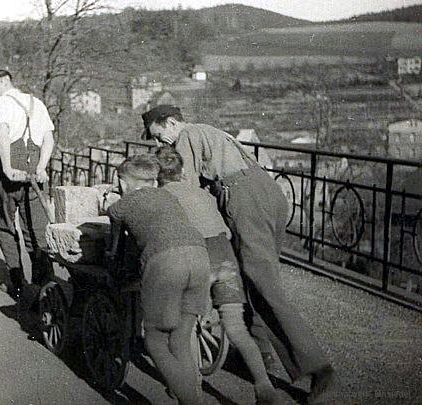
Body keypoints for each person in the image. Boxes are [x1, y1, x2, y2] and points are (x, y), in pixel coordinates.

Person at [142, 105, 334, 404]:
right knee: (254, 284)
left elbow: (185, 186)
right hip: (267, 194)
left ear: (170, 123)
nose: (160, 145)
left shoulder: (186, 135)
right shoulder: (209, 131)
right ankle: (262, 355)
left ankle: (318, 368)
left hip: (244, 200)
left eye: (159, 137)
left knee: (265, 287)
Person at [155, 146, 281, 404]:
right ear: (181, 171)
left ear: (156, 175)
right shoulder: (202, 195)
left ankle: (191, 384)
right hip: (224, 258)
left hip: (198, 260)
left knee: (185, 324)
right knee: (236, 328)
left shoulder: (162, 198)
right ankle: (264, 385)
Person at [107, 154, 210, 405]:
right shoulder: (169, 196)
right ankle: (189, 390)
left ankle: (192, 401)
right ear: (154, 182)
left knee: (154, 340)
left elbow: (116, 246)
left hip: (166, 263)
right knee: (180, 336)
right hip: (199, 257)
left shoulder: (122, 204)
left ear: (122, 184)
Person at [0, 63, 55, 304]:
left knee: (7, 226)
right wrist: (41, 167)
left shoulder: (1, 103)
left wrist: (9, 169)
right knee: (36, 230)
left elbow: (3, 133)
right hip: (35, 174)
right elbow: (49, 138)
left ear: (3, 79)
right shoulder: (36, 102)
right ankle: (46, 289)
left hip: (8, 172)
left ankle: (18, 284)